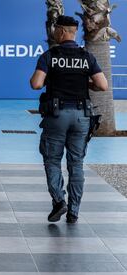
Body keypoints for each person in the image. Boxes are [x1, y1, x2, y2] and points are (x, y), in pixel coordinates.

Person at [30, 15, 108, 223]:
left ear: (62, 31)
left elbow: (36, 84)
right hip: (82, 116)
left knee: (53, 160)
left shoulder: (50, 55)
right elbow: (103, 85)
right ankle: (74, 211)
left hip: (57, 116)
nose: (54, 32)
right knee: (76, 163)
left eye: (56, 29)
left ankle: (59, 201)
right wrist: (86, 84)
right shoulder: (86, 56)